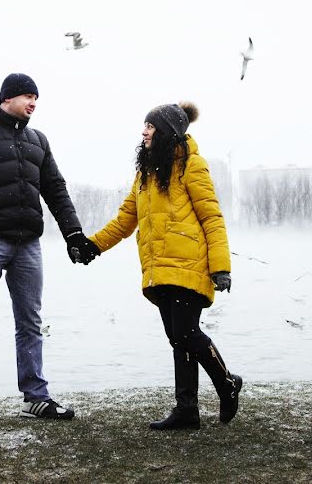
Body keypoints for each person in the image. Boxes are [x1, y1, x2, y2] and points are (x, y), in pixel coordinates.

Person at [0, 73, 99, 428]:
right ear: (7, 98)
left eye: (36, 98)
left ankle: (36, 398)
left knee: (31, 323)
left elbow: (56, 189)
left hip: (28, 244)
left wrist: (73, 234)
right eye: (28, 96)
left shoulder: (37, 140)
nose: (33, 103)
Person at [86, 101, 242, 430]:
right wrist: (93, 246)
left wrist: (221, 267)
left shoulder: (191, 166)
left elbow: (212, 218)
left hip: (189, 264)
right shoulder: (145, 173)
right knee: (178, 337)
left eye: (151, 126)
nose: (144, 131)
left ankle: (227, 384)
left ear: (167, 133)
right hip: (159, 268)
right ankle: (187, 411)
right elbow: (125, 220)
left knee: (186, 332)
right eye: (144, 125)